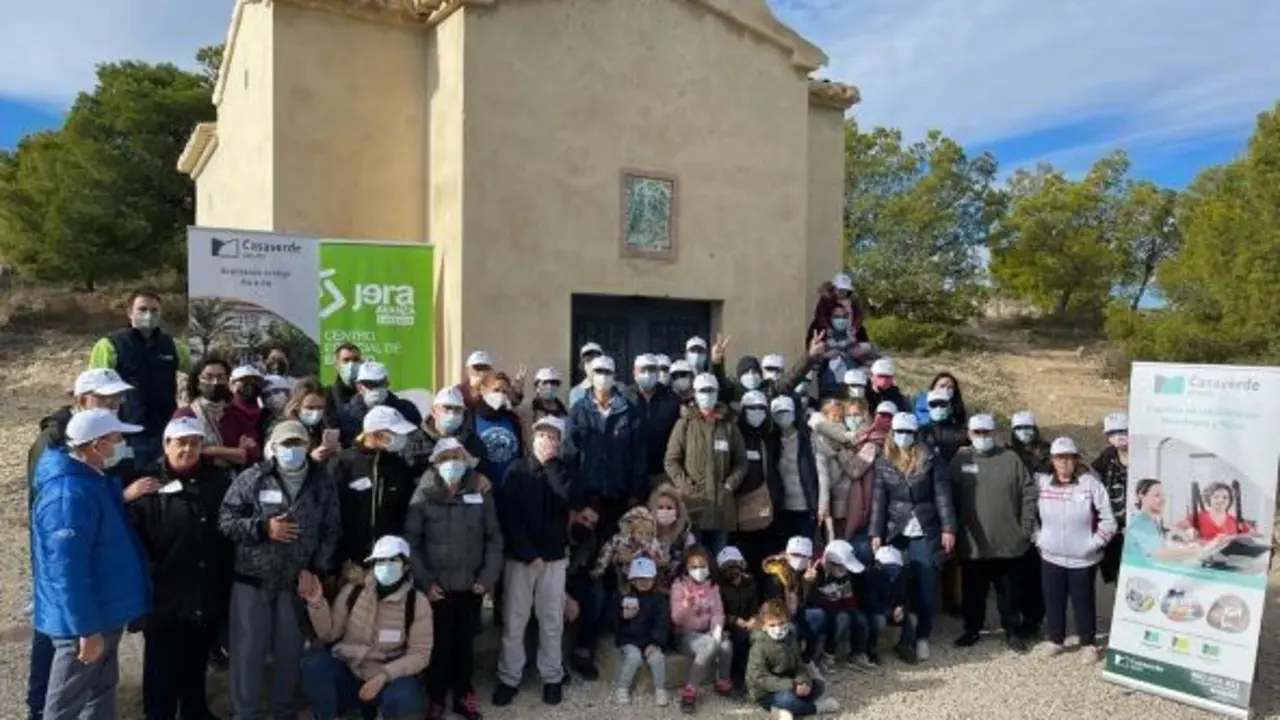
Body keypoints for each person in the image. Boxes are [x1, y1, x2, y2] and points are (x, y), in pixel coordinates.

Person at [25, 369, 141, 720]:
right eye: (116, 437)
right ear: (94, 445)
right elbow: (67, 571)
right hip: (87, 619)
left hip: (104, 609)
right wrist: (84, 629)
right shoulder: (67, 495)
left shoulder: (92, 479)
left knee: (99, 693)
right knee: (65, 703)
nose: (122, 442)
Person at [218, 419, 342, 720]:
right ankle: (245, 713)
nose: (292, 449)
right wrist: (263, 528)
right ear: (273, 447)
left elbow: (332, 529)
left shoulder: (321, 481)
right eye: (285, 444)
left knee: (289, 651)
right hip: (252, 580)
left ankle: (283, 711)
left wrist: (316, 569)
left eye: (298, 443)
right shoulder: (253, 478)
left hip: (294, 583)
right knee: (248, 652)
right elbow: (226, 521)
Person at [129, 417, 233, 720]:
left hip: (205, 588)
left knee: (195, 660)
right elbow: (136, 540)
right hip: (164, 596)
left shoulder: (217, 481)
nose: (188, 449)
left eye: (195, 443)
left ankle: (195, 711)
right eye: (181, 442)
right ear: (166, 444)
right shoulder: (147, 485)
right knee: (161, 667)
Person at [403, 438, 504, 715]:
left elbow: (494, 538)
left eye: (458, 458)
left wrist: (486, 579)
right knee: (438, 644)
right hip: (436, 586)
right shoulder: (423, 494)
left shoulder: (480, 492)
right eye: (446, 458)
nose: (453, 464)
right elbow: (410, 542)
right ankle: (436, 695)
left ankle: (463, 692)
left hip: (471, 585)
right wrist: (426, 582)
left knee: (464, 643)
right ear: (436, 462)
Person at [299, 535, 431, 720]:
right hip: (351, 673)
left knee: (406, 695)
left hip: (387, 680)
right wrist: (317, 604)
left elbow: (420, 654)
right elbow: (329, 634)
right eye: (380, 561)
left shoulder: (417, 602)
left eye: (392, 560)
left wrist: (384, 675)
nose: (385, 566)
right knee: (314, 664)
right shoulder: (353, 591)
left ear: (406, 565)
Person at [496, 417, 574, 708]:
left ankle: (552, 676)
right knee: (515, 621)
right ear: (532, 437)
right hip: (521, 559)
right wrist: (529, 554)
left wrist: (551, 465)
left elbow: (566, 498)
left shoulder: (563, 472)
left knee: (551, 620)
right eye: (541, 434)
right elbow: (509, 517)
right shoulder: (516, 471)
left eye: (552, 436)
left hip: (554, 560)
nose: (546, 440)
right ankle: (509, 677)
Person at [869, 412, 955, 663]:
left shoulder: (931, 459)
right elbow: (879, 500)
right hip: (896, 528)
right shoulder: (884, 461)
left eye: (908, 432)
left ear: (915, 434)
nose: (903, 437)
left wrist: (948, 528)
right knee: (896, 583)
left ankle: (922, 637)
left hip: (924, 527)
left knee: (926, 584)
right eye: (899, 432)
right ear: (892, 434)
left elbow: (942, 495)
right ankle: (902, 637)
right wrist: (876, 532)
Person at [949, 414, 1038, 653]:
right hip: (973, 542)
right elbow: (948, 498)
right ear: (969, 434)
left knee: (1008, 592)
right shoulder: (960, 460)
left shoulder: (1010, 458)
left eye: (986, 433)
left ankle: (1012, 630)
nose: (982, 437)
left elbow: (1029, 492)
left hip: (1007, 542)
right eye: (977, 433)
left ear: (994, 433)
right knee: (973, 592)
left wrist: (1026, 528)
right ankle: (972, 629)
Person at [1033, 437, 1116, 662]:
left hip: (1084, 558)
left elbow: (1109, 519)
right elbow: (1030, 514)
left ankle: (1088, 643)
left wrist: (1094, 544)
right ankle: (1055, 640)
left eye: (1069, 457)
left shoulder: (1090, 484)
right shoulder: (1041, 483)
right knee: (1053, 599)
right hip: (1051, 555)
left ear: (1076, 459)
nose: (1064, 462)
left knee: (1083, 600)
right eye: (1059, 458)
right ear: (1052, 460)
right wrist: (1039, 538)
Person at [87, 289, 190, 464]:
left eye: (154, 310)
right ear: (129, 312)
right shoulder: (110, 345)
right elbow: (93, 391)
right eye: (142, 309)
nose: (148, 315)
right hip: (125, 433)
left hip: (164, 432)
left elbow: (198, 373)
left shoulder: (173, 346)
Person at [331, 406, 424, 574]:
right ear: (375, 433)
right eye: (394, 432)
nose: (400, 438)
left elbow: (406, 516)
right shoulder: (343, 463)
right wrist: (340, 560)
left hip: (390, 565)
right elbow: (332, 518)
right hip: (350, 565)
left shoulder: (400, 467)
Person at [665, 373, 748, 555]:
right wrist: (686, 487)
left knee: (719, 561)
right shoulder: (685, 424)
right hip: (694, 508)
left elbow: (741, 461)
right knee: (695, 561)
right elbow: (671, 461)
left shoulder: (728, 426)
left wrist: (729, 485)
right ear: (694, 393)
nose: (707, 394)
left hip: (721, 508)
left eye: (711, 390)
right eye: (703, 390)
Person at [567, 356, 647, 538]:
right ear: (591, 376)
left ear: (614, 376)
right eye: (598, 372)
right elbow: (570, 455)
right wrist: (575, 499)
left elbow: (638, 456)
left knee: (616, 551)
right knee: (585, 553)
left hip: (619, 496)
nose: (602, 376)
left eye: (607, 372)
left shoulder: (629, 412)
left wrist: (636, 493)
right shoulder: (578, 411)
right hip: (586, 497)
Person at [746, 599, 841, 717]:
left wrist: (803, 682)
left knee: (818, 686)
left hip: (789, 684)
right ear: (764, 626)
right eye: (772, 625)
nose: (778, 629)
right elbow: (761, 679)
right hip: (765, 692)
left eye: (781, 624)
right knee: (788, 699)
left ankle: (783, 710)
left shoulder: (790, 638)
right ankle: (816, 707)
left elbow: (799, 666)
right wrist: (792, 685)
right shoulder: (759, 646)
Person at [670, 545, 736, 712]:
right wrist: (687, 606)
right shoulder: (679, 585)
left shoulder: (713, 586)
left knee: (726, 645)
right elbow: (676, 618)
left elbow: (718, 613)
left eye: (702, 565)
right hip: (684, 635)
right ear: (686, 567)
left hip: (706, 632)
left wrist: (717, 630)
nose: (698, 570)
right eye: (693, 566)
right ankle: (689, 691)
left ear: (709, 565)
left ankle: (723, 682)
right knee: (709, 645)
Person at [175, 359, 259, 470]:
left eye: (220, 377)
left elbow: (253, 453)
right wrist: (235, 453)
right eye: (208, 377)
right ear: (197, 381)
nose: (215, 382)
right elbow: (180, 453)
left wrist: (209, 450)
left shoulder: (234, 414)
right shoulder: (186, 414)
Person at [733, 392, 782, 576]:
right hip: (743, 510)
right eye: (752, 408)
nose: (757, 412)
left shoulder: (768, 436)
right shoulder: (736, 436)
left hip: (768, 508)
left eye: (761, 408)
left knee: (767, 563)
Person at [612, 556, 672, 706]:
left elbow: (662, 623)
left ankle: (660, 689)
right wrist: (621, 615)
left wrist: (655, 642)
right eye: (639, 579)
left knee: (657, 658)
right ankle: (622, 688)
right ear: (632, 580)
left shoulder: (660, 599)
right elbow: (609, 617)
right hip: (629, 639)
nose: (644, 582)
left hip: (650, 639)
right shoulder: (623, 596)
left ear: (654, 579)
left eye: (648, 578)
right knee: (633, 657)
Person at [805, 540, 873, 671]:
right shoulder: (815, 572)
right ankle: (826, 656)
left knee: (859, 618)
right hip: (822, 611)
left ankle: (858, 654)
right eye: (841, 567)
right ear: (829, 563)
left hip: (837, 607)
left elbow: (849, 599)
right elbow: (811, 600)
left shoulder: (843, 575)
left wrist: (852, 612)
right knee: (840, 619)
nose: (844, 570)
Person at [1125, 479, 1229, 563]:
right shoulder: (1140, 522)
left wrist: (1186, 547)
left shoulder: (1152, 521)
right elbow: (1159, 554)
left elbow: (1159, 545)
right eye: (1157, 495)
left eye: (1163, 495)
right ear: (1141, 496)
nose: (1163, 499)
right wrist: (1200, 550)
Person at [761, 537, 821, 675]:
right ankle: (788, 666)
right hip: (777, 615)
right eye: (795, 555)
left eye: (803, 556)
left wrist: (808, 583)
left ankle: (806, 661)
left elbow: (808, 602)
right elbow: (776, 605)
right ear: (786, 554)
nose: (799, 559)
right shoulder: (776, 574)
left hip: (795, 610)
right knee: (793, 629)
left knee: (817, 617)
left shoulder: (804, 572)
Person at [771, 393, 824, 545]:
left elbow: (819, 473)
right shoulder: (772, 442)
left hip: (806, 508)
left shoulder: (808, 439)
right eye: (778, 413)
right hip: (782, 510)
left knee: (805, 551)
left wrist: (819, 505)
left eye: (786, 411)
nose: (783, 416)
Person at [336, 361, 423, 446]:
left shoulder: (407, 409)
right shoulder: (346, 415)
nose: (376, 389)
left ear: (387, 383)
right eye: (370, 384)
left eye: (381, 383)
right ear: (359, 386)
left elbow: (419, 443)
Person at [564, 503, 606, 680]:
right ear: (574, 514)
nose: (587, 525)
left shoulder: (590, 540)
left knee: (596, 595)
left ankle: (582, 652)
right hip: (548, 579)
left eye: (592, 524)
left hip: (573, 578)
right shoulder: (558, 533)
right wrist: (564, 597)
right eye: (584, 519)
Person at [630, 353, 683, 487]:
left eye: (652, 369)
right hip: (631, 473)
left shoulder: (672, 400)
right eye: (643, 370)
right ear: (634, 372)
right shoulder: (625, 398)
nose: (648, 374)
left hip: (663, 473)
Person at [470, 372, 524, 496]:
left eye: (504, 392)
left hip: (510, 492)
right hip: (483, 492)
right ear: (482, 390)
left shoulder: (512, 419)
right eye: (496, 390)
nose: (500, 394)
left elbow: (520, 454)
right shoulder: (471, 419)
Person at [1092, 412, 1130, 583]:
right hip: (1114, 530)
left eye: (1122, 431)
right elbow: (1093, 476)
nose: (1117, 437)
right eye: (1111, 433)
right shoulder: (1107, 456)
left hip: (1137, 531)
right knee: (1116, 576)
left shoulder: (1144, 455)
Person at [716, 546, 759, 694]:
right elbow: (718, 612)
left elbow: (755, 606)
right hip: (728, 625)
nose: (732, 570)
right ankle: (738, 678)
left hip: (749, 622)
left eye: (734, 565)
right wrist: (735, 620)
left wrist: (754, 618)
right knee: (740, 638)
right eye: (727, 567)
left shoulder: (750, 583)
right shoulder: (718, 587)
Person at [650, 484, 697, 583]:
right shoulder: (646, 536)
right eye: (660, 507)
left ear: (678, 511)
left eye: (669, 508)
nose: (664, 511)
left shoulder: (687, 538)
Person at [919, 387, 969, 464]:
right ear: (928, 407)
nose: (938, 408)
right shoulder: (920, 432)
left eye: (943, 404)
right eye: (933, 404)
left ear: (949, 405)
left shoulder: (961, 432)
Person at [277, 378, 331, 450]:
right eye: (310, 408)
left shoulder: (322, 426)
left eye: (320, 408)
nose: (316, 412)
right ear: (296, 406)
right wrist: (311, 458)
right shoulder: (284, 428)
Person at [326, 343, 364, 420]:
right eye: (346, 360)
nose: (351, 364)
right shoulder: (327, 395)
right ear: (336, 364)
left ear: (361, 363)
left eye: (355, 360)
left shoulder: (371, 393)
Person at [1010, 410, 1051, 475]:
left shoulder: (1049, 450)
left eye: (1027, 427)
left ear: (1035, 429)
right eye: (1019, 428)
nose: (1024, 432)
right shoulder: (1010, 453)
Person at [567, 342, 606, 408]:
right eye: (588, 360)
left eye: (595, 358)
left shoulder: (618, 388)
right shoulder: (576, 392)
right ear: (582, 365)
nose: (592, 362)